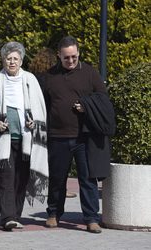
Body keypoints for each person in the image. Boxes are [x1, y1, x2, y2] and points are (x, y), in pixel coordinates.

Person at [42, 35, 115, 233]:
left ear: (78, 53)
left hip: (84, 136)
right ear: (59, 55)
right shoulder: (49, 76)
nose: (71, 61)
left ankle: (91, 218)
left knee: (87, 179)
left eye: (74, 56)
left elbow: (103, 99)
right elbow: (43, 105)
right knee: (57, 178)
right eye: (67, 58)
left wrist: (86, 106)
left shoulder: (90, 73)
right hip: (57, 135)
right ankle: (53, 214)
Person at [0, 41, 48, 231]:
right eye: (8, 58)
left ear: (21, 61)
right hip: (3, 140)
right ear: (3, 60)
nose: (12, 62)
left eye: (15, 59)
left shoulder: (30, 80)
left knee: (22, 178)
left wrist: (33, 122)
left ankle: (16, 214)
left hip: (26, 139)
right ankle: (8, 217)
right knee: (6, 178)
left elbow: (39, 110)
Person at [29, 47, 77, 199]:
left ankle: (37, 186)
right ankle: (59, 188)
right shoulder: (53, 77)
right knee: (57, 161)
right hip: (52, 122)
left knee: (39, 154)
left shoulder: (34, 77)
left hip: (37, 120)